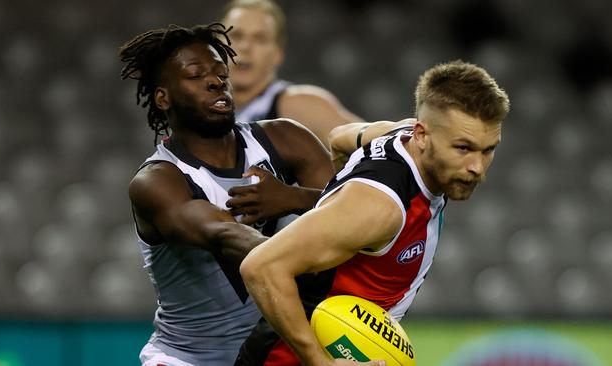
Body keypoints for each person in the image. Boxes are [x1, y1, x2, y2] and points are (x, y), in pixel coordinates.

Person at [237, 60, 510, 366]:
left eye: (488, 149)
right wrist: (320, 363)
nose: (476, 167)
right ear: (422, 135)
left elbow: (340, 137)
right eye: (463, 148)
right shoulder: (378, 207)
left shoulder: (398, 132)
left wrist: (332, 200)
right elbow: (261, 268)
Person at [118, 23, 333, 366]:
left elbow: (351, 205)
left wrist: (294, 199)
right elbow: (226, 236)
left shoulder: (286, 139)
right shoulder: (157, 182)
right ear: (164, 98)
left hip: (274, 352)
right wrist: (309, 248)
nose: (216, 81)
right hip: (188, 359)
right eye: (195, 75)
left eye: (221, 72)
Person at [220, 0, 361, 147]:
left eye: (260, 39)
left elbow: (380, 145)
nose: (245, 46)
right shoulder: (198, 112)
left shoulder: (297, 105)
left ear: (278, 54)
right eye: (235, 36)